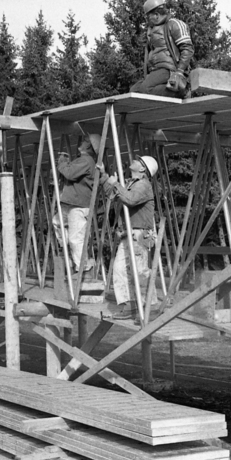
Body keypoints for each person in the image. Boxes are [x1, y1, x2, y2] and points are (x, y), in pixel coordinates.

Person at [99, 155, 159, 320]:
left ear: (142, 169)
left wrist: (116, 184)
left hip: (140, 234)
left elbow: (130, 200)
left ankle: (151, 306)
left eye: (138, 161)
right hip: (129, 233)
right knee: (120, 269)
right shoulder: (131, 184)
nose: (133, 160)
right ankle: (130, 304)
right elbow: (112, 194)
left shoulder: (143, 185)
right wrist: (105, 176)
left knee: (140, 271)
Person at [53, 134, 102, 279]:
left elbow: (69, 173)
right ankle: (71, 254)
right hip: (73, 203)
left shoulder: (86, 160)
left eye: (86, 141)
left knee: (76, 238)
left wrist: (62, 163)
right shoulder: (83, 161)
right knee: (57, 222)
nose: (82, 142)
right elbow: (71, 172)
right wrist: (65, 163)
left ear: (89, 147)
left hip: (79, 205)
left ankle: (84, 268)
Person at [130, 0, 194, 99]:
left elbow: (187, 49)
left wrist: (180, 72)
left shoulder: (174, 24)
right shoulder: (151, 31)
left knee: (145, 89)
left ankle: (182, 91)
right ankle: (173, 91)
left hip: (170, 69)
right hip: (156, 70)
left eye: (148, 16)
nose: (147, 19)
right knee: (134, 91)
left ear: (156, 14)